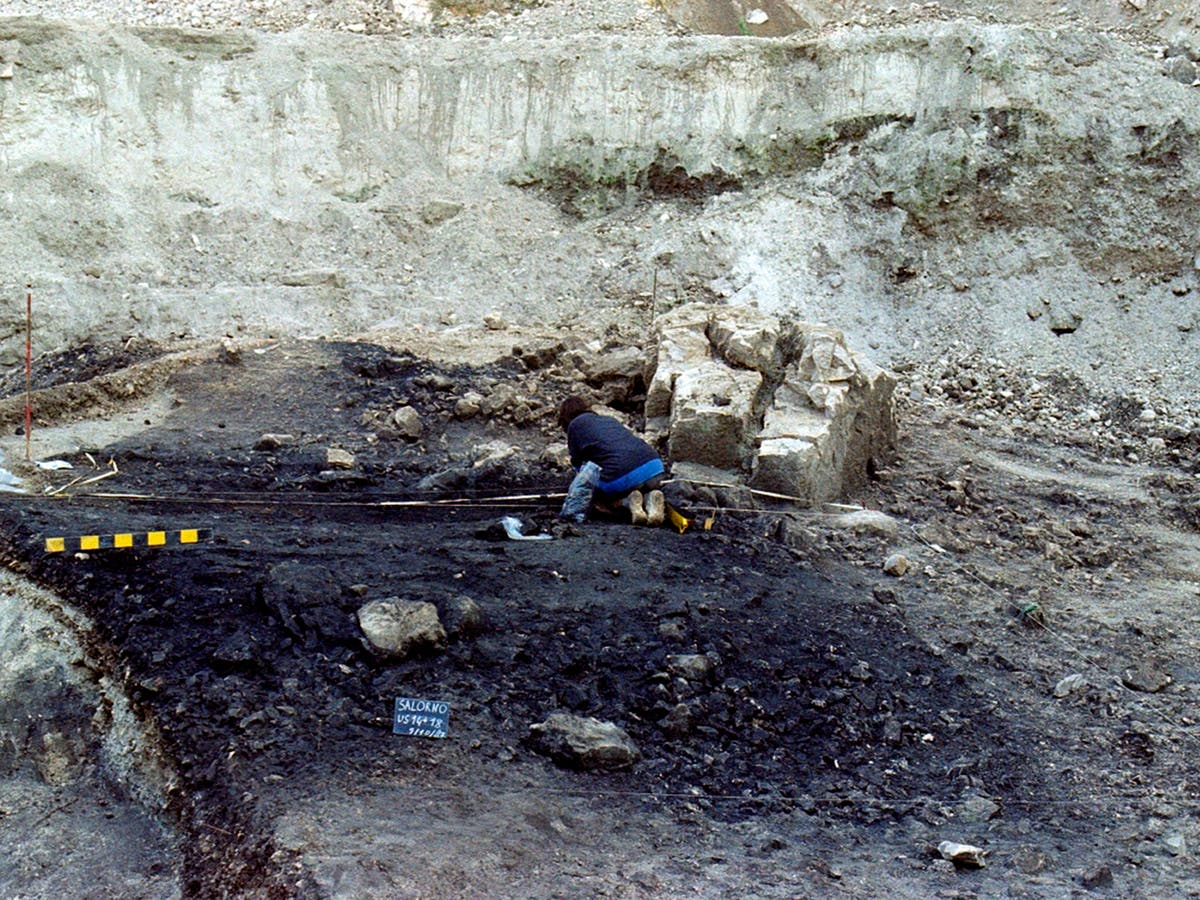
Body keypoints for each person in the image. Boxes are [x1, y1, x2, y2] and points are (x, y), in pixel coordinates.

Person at [557, 396, 666, 525]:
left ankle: (626, 504)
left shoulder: (574, 426)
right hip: (654, 466)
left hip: (622, 476)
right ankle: (649, 499)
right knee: (634, 481)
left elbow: (579, 466)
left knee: (594, 493)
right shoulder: (608, 420)